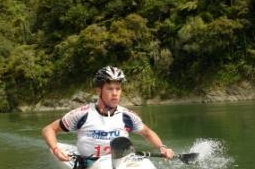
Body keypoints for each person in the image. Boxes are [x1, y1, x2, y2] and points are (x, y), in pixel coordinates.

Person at [42, 66, 174, 163]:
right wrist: (55, 149)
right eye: (110, 89)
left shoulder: (127, 116)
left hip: (122, 164)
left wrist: (162, 148)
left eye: (118, 89)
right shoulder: (82, 114)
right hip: (90, 166)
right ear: (99, 90)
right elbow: (48, 130)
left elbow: (147, 133)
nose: (115, 93)